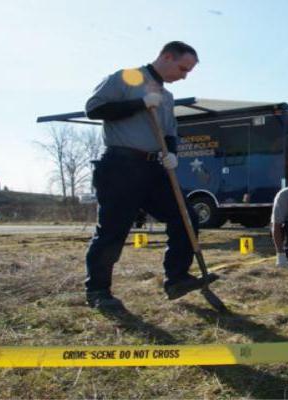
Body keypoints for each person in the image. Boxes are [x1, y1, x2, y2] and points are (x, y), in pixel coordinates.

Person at [83, 41, 216, 309]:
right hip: (120, 166)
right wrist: (140, 103)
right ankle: (98, 292)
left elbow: (169, 132)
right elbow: (94, 109)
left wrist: (173, 153)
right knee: (112, 230)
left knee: (185, 216)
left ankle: (177, 278)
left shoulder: (167, 98)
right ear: (166, 57)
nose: (184, 76)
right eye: (182, 68)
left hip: (153, 168)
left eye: (188, 71)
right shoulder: (126, 78)